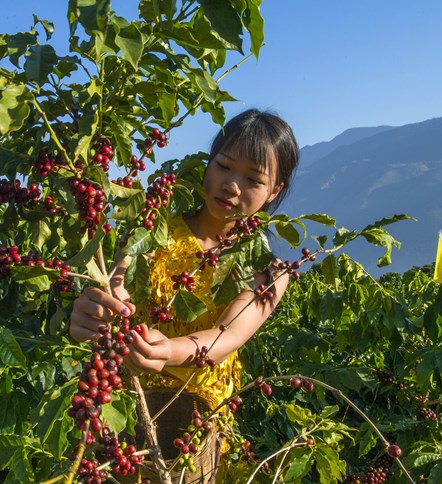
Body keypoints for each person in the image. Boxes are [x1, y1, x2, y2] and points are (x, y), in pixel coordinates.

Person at [69, 109, 300, 480]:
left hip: (197, 420)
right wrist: (100, 310)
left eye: (253, 179)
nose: (231, 185)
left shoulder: (268, 272)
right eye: (223, 166)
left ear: (275, 191)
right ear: (207, 164)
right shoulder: (154, 231)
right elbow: (119, 282)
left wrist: (169, 352)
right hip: (124, 400)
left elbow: (227, 335)